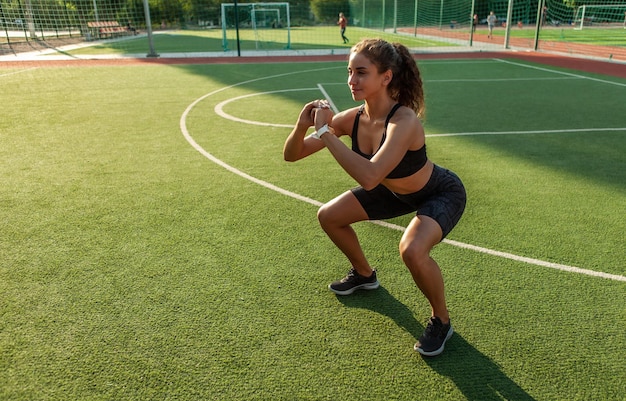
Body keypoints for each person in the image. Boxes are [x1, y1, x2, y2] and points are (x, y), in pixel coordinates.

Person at [283, 38, 466, 357]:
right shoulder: (351, 119)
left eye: (361, 72)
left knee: (412, 250)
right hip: (392, 191)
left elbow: (370, 176)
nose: (352, 80)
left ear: (386, 77)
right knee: (329, 216)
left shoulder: (403, 120)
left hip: (438, 192)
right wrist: (302, 126)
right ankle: (365, 275)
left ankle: (442, 320)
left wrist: (325, 133)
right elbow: (292, 155)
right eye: (349, 71)